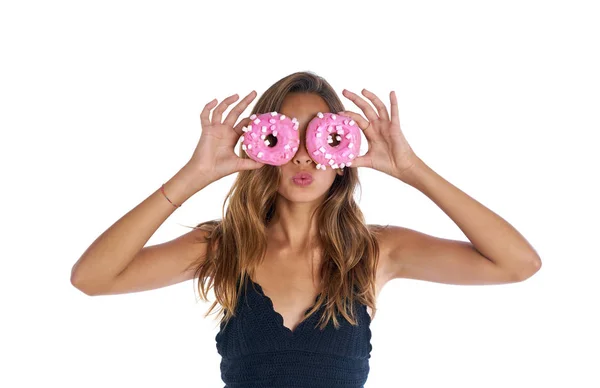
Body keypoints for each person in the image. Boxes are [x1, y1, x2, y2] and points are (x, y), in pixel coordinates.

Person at [71, 71, 542, 387]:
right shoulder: (221, 247)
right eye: (285, 136)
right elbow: (91, 278)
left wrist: (411, 167)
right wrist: (194, 175)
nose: (301, 155)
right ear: (261, 147)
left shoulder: (377, 252)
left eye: (320, 135)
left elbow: (518, 263)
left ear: (342, 155)